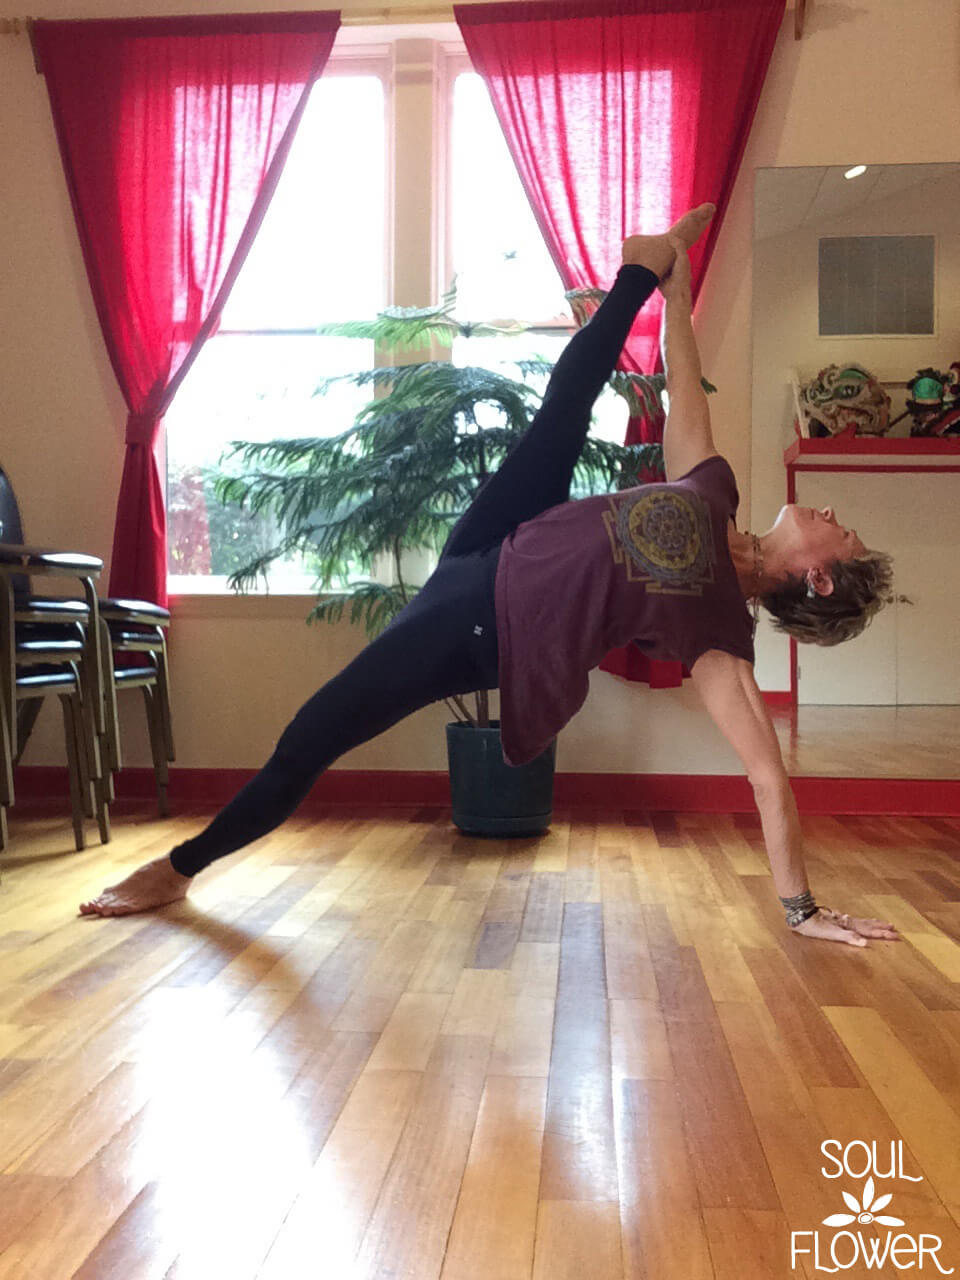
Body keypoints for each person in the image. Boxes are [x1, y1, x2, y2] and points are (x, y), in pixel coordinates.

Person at [80, 203, 901, 948]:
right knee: (565, 407)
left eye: (844, 536)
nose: (831, 514)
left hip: (488, 625)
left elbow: (766, 775)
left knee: (315, 731)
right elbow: (685, 385)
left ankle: (178, 870)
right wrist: (674, 289)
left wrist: (803, 909)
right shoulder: (715, 493)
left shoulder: (719, 632)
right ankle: (638, 265)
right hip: (501, 538)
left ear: (820, 582)